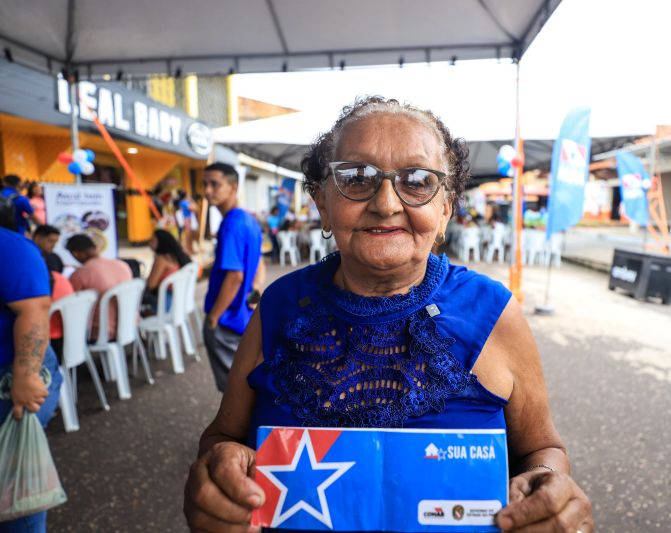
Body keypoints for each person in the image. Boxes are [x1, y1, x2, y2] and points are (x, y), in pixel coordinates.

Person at [184, 97, 594, 532]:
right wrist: (215, 476)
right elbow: (223, 436)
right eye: (357, 177)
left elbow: (543, 448)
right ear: (322, 202)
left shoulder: (493, 312)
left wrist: (550, 486)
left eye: (417, 180)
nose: (385, 202)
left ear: (446, 208)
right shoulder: (280, 306)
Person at [0, 226, 64, 533]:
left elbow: (35, 308)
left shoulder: (8, 246)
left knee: (15, 495)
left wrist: (25, 377)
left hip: (11, 387)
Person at [201, 163, 262, 393]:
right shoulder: (248, 220)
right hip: (242, 317)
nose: (208, 191)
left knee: (236, 393)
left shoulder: (231, 225)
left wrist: (213, 318)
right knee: (244, 384)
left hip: (227, 320)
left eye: (214, 184)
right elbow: (259, 264)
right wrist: (254, 288)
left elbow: (235, 276)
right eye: (205, 184)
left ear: (233, 186)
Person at [65, 234, 132, 340]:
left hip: (101, 331)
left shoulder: (81, 273)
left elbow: (69, 303)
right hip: (130, 325)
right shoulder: (122, 265)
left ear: (76, 254)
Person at [140, 229, 192, 315]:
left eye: (152, 241)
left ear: (161, 242)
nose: (149, 244)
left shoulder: (161, 259)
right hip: (179, 302)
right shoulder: (178, 257)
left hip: (165, 304)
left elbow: (151, 285)